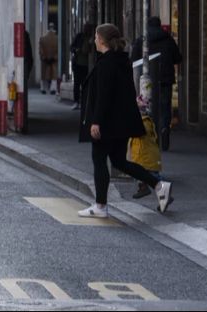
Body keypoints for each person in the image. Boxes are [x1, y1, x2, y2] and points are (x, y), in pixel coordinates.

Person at [78, 24, 173, 218]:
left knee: (99, 160)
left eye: (96, 37)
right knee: (120, 162)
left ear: (102, 40)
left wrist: (96, 122)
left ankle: (101, 205)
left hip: (107, 123)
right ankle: (158, 185)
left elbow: (104, 95)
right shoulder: (121, 61)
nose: (94, 40)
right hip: (120, 122)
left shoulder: (106, 64)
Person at [131, 17, 183, 150]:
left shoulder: (142, 40)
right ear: (160, 26)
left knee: (147, 107)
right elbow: (178, 58)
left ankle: (150, 136)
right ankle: (164, 130)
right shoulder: (168, 39)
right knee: (165, 107)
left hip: (147, 81)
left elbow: (133, 60)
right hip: (165, 79)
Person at [129, 105, 163, 199]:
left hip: (147, 159)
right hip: (143, 158)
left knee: (152, 177)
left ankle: (164, 192)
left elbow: (141, 132)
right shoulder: (141, 122)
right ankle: (145, 188)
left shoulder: (144, 122)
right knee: (144, 176)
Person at [71, 23, 95, 110]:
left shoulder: (92, 38)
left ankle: (84, 102)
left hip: (87, 65)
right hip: (78, 64)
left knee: (85, 85)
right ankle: (76, 101)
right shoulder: (79, 37)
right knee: (77, 84)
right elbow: (72, 47)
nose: (86, 30)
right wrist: (76, 50)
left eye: (88, 29)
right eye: (85, 28)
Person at [39, 23, 59, 95]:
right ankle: (52, 89)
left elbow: (41, 50)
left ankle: (43, 88)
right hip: (54, 60)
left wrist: (44, 57)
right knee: (54, 74)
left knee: (44, 74)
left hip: (45, 60)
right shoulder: (57, 39)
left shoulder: (43, 38)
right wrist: (54, 57)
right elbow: (58, 50)